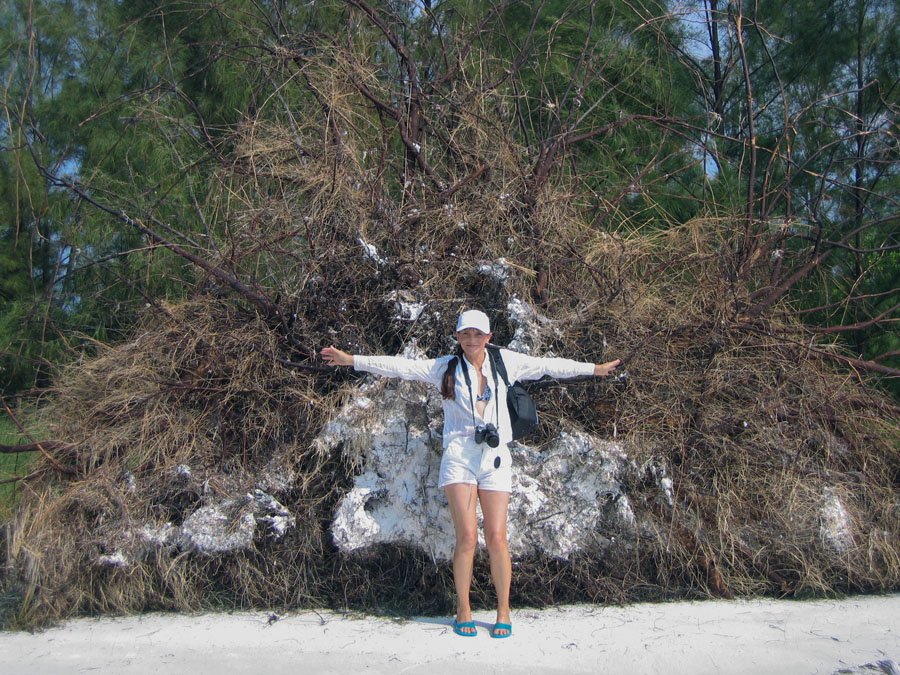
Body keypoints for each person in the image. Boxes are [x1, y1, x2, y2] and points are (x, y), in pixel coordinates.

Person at [320, 309, 620, 639]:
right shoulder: (445, 367)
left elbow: (549, 365)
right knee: (466, 538)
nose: (472, 340)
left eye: (478, 334)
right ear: (458, 337)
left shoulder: (506, 362)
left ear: (489, 337)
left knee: (497, 537)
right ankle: (463, 608)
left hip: (494, 457)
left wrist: (594, 369)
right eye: (466, 334)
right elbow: (400, 366)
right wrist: (351, 360)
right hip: (460, 457)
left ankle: (503, 610)